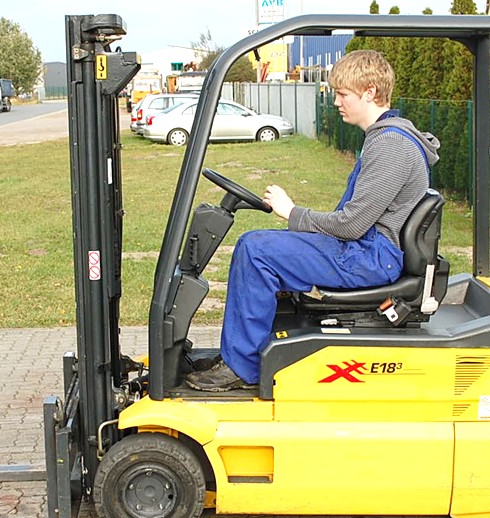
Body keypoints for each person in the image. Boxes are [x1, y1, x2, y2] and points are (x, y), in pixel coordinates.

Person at [185, 49, 441, 392]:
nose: (336, 101)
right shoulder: (385, 137)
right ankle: (246, 353)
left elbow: (351, 225)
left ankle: (242, 368)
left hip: (370, 257)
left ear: (369, 92)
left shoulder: (391, 145)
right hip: (365, 249)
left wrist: (292, 213)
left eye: (342, 94)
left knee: (256, 250)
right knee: (263, 246)